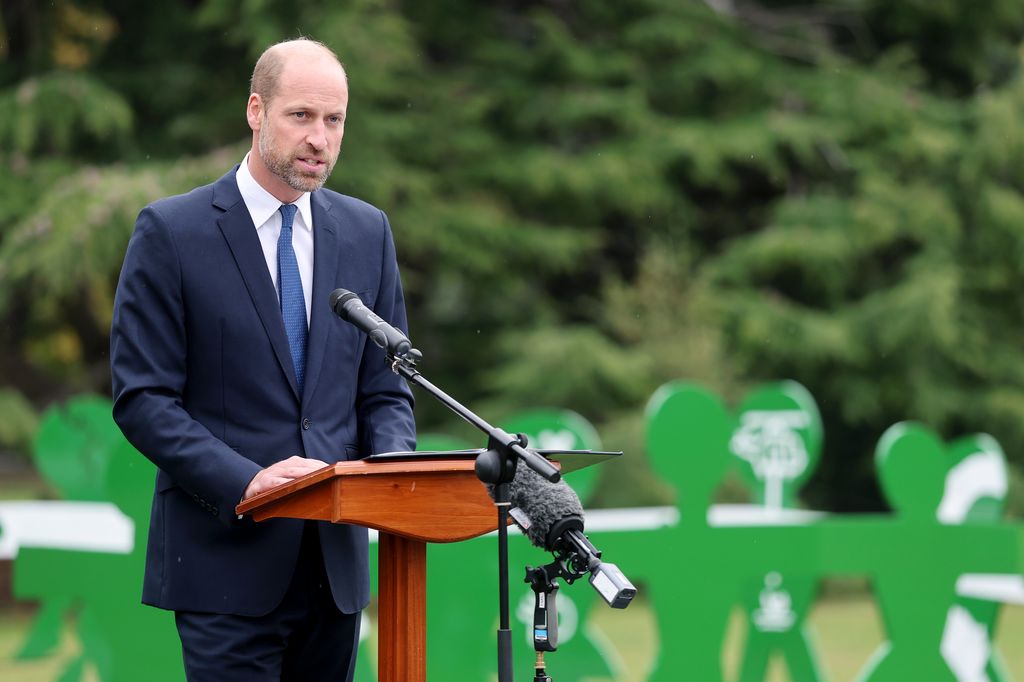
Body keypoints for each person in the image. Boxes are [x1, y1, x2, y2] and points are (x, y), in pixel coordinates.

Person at [110, 38, 416, 681]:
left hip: (334, 571)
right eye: (300, 116)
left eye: (334, 121)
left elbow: (386, 391)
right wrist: (245, 482)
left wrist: (390, 477)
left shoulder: (367, 232)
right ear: (256, 110)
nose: (320, 139)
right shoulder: (172, 232)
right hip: (223, 566)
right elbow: (142, 399)